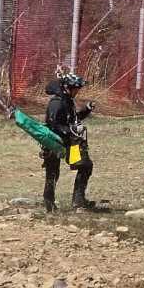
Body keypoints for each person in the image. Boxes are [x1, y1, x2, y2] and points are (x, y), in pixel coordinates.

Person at [42, 73, 96, 212]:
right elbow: (53, 124)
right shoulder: (57, 102)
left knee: (85, 166)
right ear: (67, 88)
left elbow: (73, 118)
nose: (77, 91)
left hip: (69, 142)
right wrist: (69, 129)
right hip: (53, 142)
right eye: (75, 88)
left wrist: (87, 110)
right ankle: (49, 203)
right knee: (53, 172)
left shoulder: (67, 100)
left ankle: (79, 201)